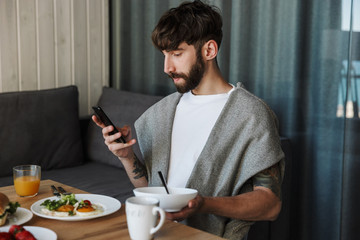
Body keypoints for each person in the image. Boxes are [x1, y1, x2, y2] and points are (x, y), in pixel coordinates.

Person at [92, 1, 285, 239]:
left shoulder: (251, 115)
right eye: (164, 55)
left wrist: (204, 204)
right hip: (156, 232)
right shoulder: (161, 113)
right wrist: (126, 157)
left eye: (176, 54)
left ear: (209, 50)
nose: (167, 67)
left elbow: (270, 204)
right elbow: (153, 193)